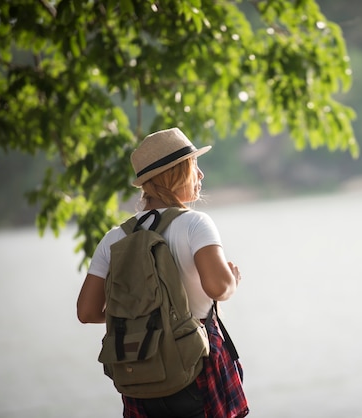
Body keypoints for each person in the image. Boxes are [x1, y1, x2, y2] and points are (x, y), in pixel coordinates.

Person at [77, 127, 249, 418]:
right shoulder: (195, 224)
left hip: (139, 374)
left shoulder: (114, 238)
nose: (201, 176)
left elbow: (87, 312)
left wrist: (145, 317)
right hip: (194, 368)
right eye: (194, 166)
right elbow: (218, 288)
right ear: (176, 173)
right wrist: (232, 279)